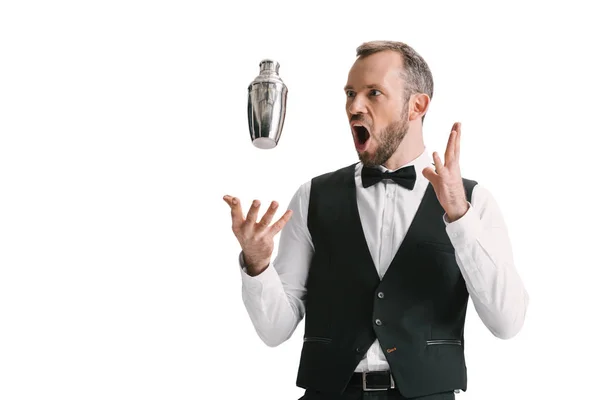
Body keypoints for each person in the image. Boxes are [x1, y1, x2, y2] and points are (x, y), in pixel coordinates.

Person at [223, 40, 529, 400]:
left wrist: (459, 217)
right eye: (350, 93)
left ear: (417, 106)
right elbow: (274, 330)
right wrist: (257, 265)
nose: (354, 106)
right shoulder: (312, 197)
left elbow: (507, 323)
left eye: (373, 93)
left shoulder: (474, 201)